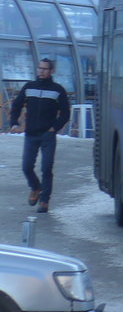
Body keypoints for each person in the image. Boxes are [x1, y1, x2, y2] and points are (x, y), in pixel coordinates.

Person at [8, 58, 71, 213]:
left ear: (51, 71)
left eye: (45, 69)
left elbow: (65, 113)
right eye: (39, 68)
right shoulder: (29, 87)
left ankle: (44, 200)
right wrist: (14, 123)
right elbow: (16, 105)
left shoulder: (58, 90)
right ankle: (36, 188)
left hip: (47, 135)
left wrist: (54, 128)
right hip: (31, 134)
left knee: (47, 167)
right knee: (27, 167)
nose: (41, 71)